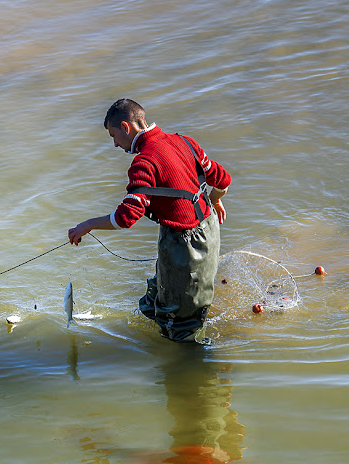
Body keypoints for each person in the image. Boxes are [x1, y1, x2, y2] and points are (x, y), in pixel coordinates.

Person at [68, 99, 232, 343]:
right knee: (155, 303)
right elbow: (222, 180)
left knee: (182, 327)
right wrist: (216, 201)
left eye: (114, 135)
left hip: (186, 245)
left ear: (126, 127)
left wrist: (87, 225)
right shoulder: (186, 142)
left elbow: (126, 217)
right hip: (208, 227)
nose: (115, 144)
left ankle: (189, 369)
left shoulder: (144, 162)